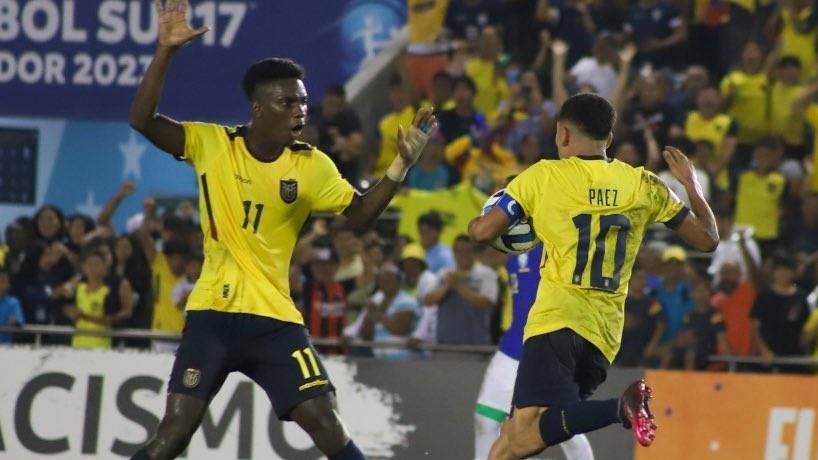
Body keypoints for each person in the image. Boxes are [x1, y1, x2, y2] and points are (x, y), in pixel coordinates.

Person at [127, 1, 434, 459]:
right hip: (213, 315)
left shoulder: (312, 166)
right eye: (287, 101)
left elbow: (361, 215)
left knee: (327, 422)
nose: (299, 110)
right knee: (174, 432)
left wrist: (400, 165)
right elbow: (142, 121)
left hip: (275, 321)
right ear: (258, 108)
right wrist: (166, 52)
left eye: (303, 101)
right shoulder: (213, 144)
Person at [469, 93, 719, 458]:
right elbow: (708, 239)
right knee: (512, 438)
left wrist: (493, 210)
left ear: (563, 135)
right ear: (610, 139)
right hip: (604, 335)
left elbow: (481, 232)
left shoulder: (544, 176)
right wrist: (692, 186)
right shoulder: (643, 184)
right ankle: (617, 408)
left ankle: (620, 407)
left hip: (557, 319)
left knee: (520, 437)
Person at [474, 244, 594, 460]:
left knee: (564, 427)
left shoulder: (556, 245)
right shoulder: (515, 246)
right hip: (511, 349)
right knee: (486, 419)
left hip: (547, 354)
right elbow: (487, 249)